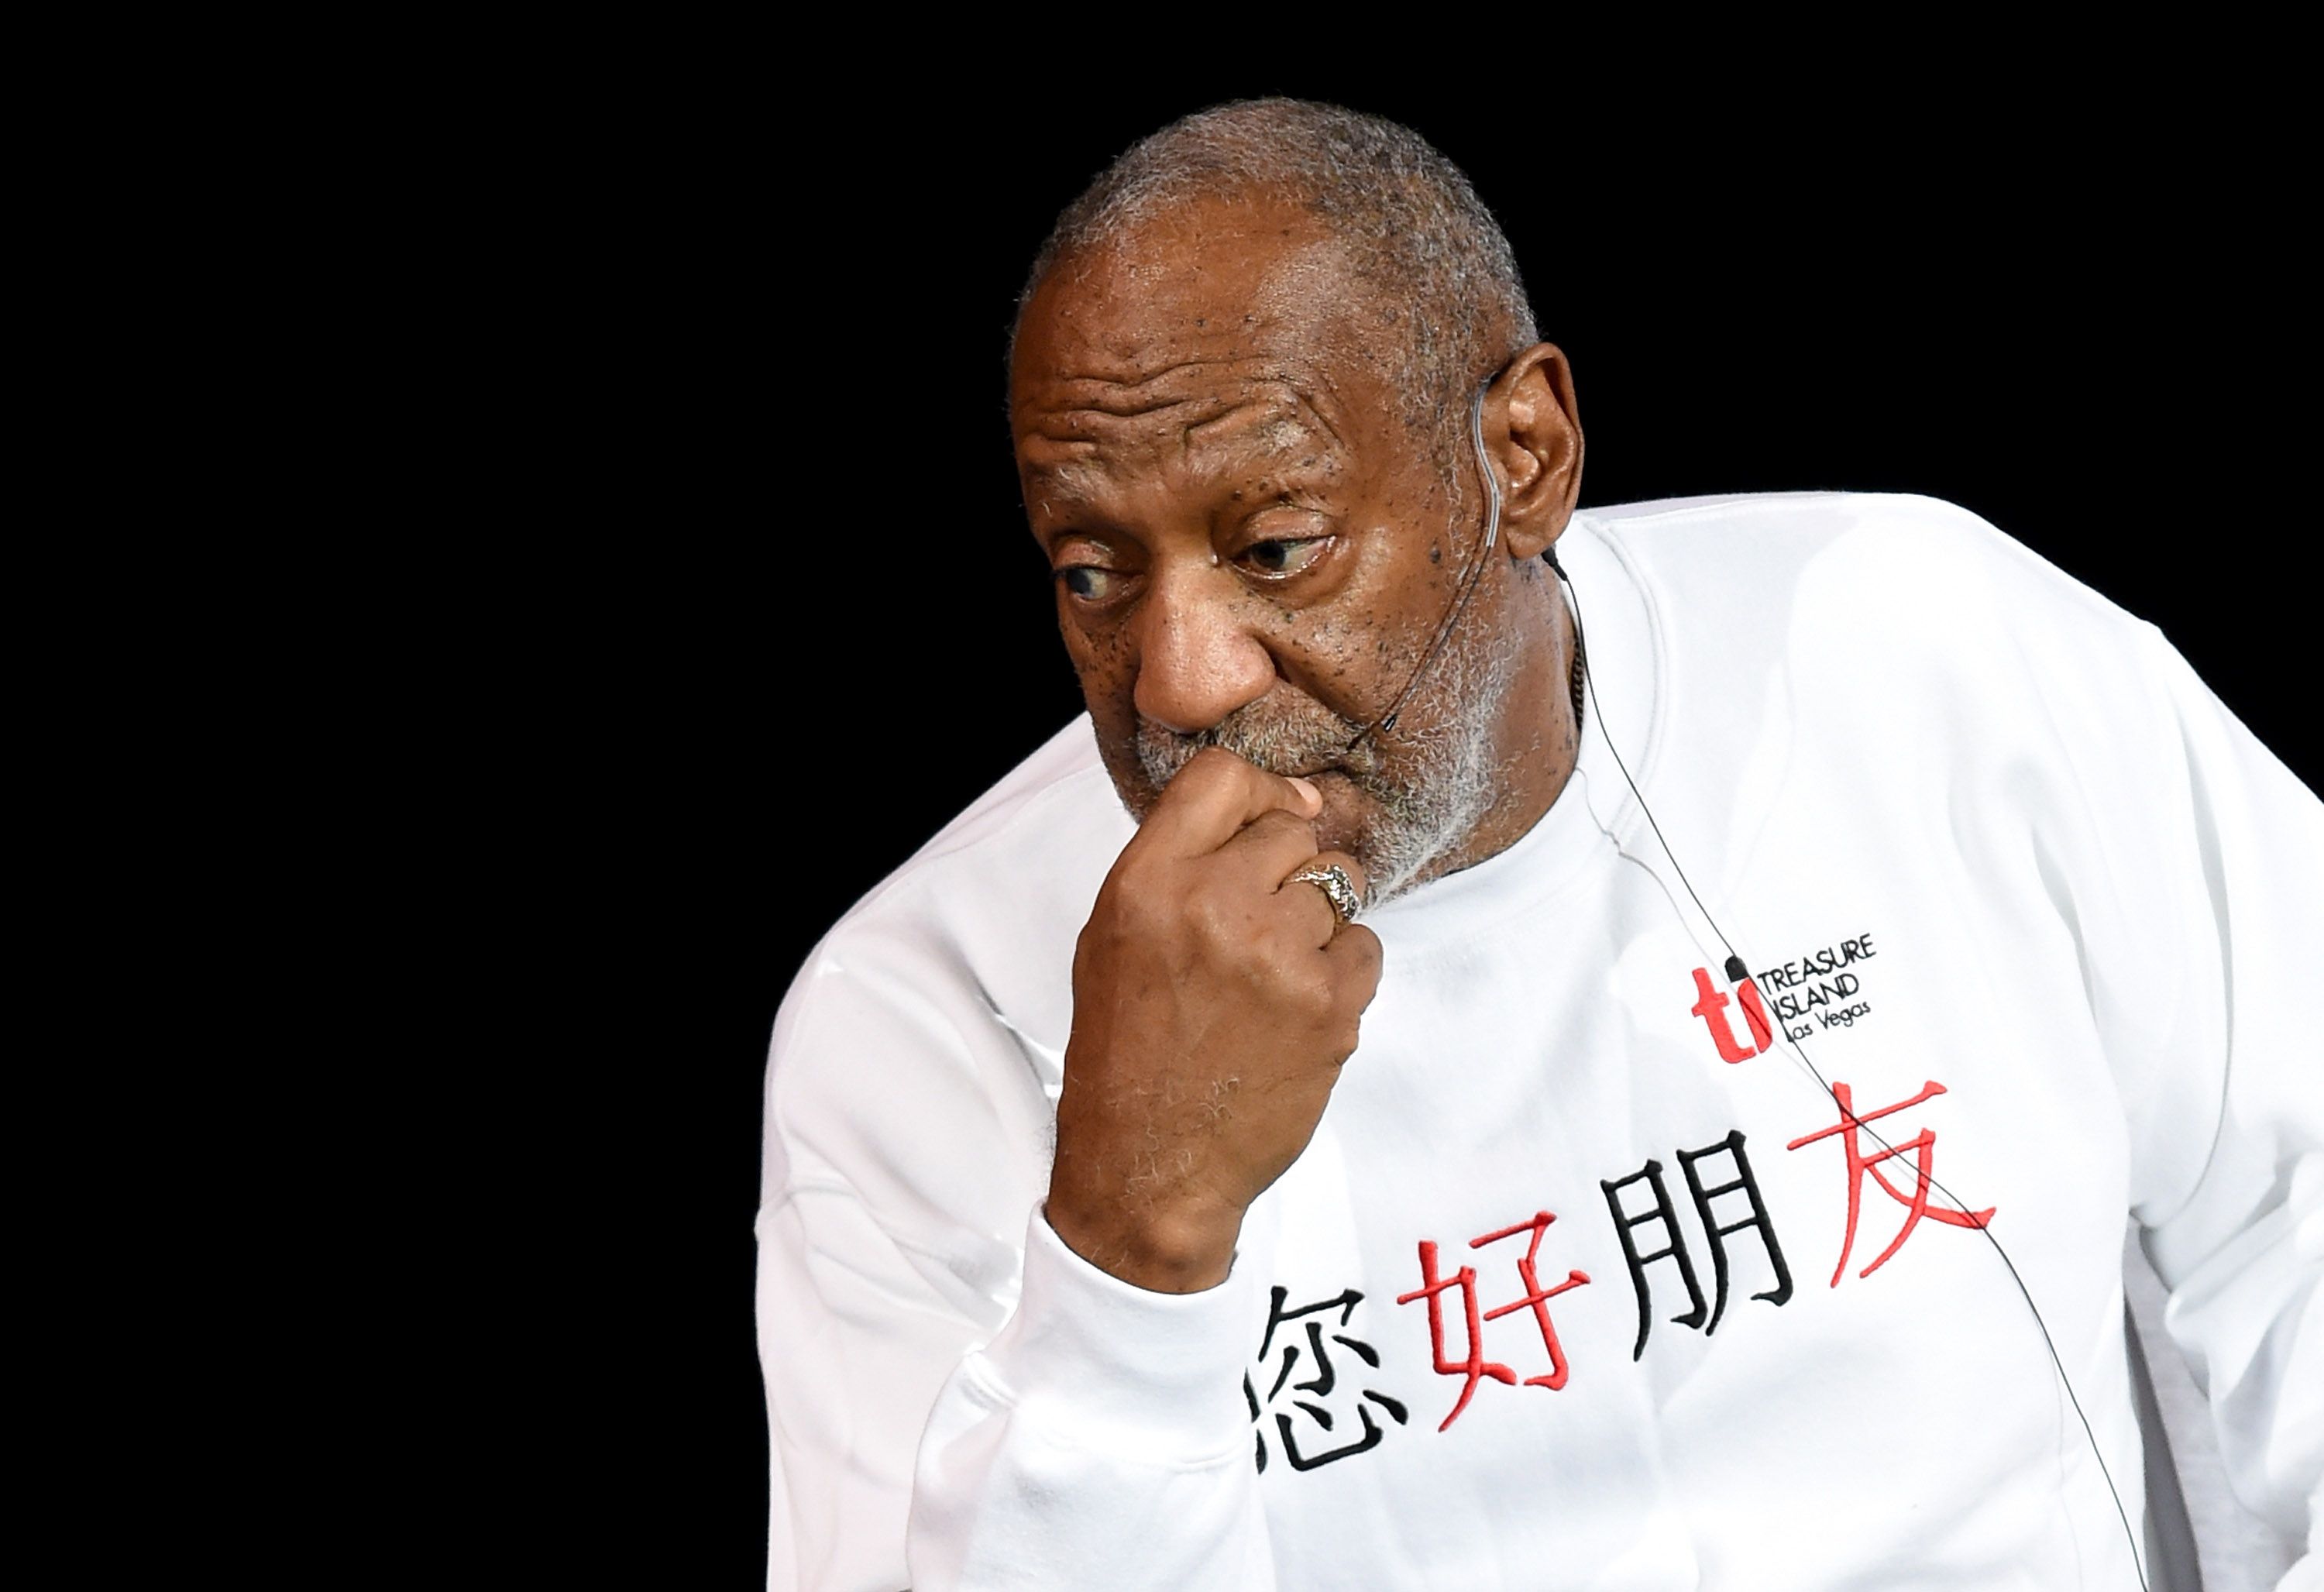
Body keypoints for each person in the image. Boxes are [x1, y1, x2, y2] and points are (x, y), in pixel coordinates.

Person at [757, 100, 2320, 1590]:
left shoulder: (1921, 654)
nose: (1182, 679)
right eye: (1094, 573)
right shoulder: (924, 1016)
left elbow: (2295, 1223)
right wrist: (1129, 1243)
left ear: (1524, 458)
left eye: (1276, 549)